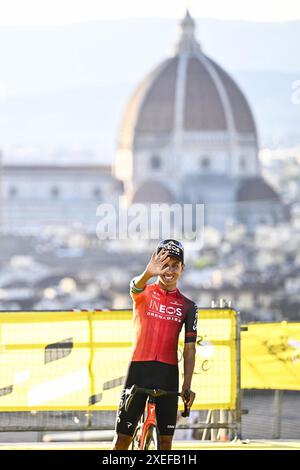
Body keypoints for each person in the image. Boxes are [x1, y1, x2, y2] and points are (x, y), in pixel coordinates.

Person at [113, 239, 198, 451]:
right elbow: (134, 286)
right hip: (139, 371)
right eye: (164, 265)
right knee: (122, 440)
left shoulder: (188, 306)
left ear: (182, 268)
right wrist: (148, 273)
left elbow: (189, 348)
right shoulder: (145, 292)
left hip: (168, 375)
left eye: (175, 266)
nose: (169, 270)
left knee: (166, 443)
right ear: (156, 266)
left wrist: (186, 385)